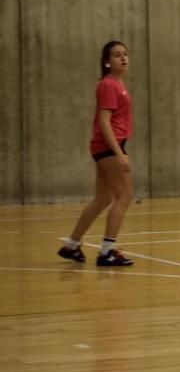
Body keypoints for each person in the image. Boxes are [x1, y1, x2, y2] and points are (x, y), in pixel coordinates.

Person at [57, 41, 135, 267]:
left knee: (102, 199)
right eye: (117, 55)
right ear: (107, 61)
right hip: (109, 146)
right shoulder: (108, 85)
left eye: (125, 54)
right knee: (124, 197)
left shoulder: (116, 84)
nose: (123, 58)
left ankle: (71, 246)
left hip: (104, 147)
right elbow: (104, 121)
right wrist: (118, 153)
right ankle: (107, 252)